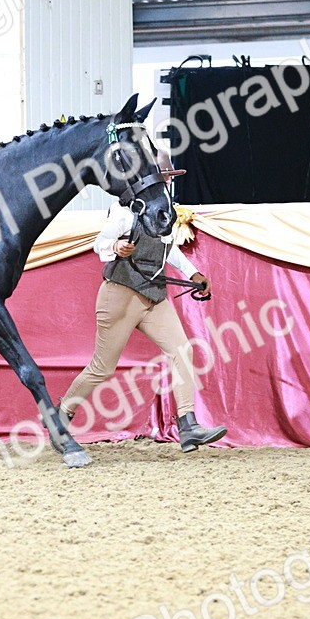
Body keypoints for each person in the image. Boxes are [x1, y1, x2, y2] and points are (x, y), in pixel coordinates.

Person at [58, 149, 227, 452]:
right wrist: (117, 246)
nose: (165, 185)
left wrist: (192, 273)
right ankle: (62, 414)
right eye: (163, 178)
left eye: (167, 179)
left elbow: (168, 248)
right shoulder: (125, 211)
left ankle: (187, 424)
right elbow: (100, 245)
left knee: (181, 351)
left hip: (153, 295)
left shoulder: (162, 212)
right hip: (120, 296)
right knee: (102, 368)